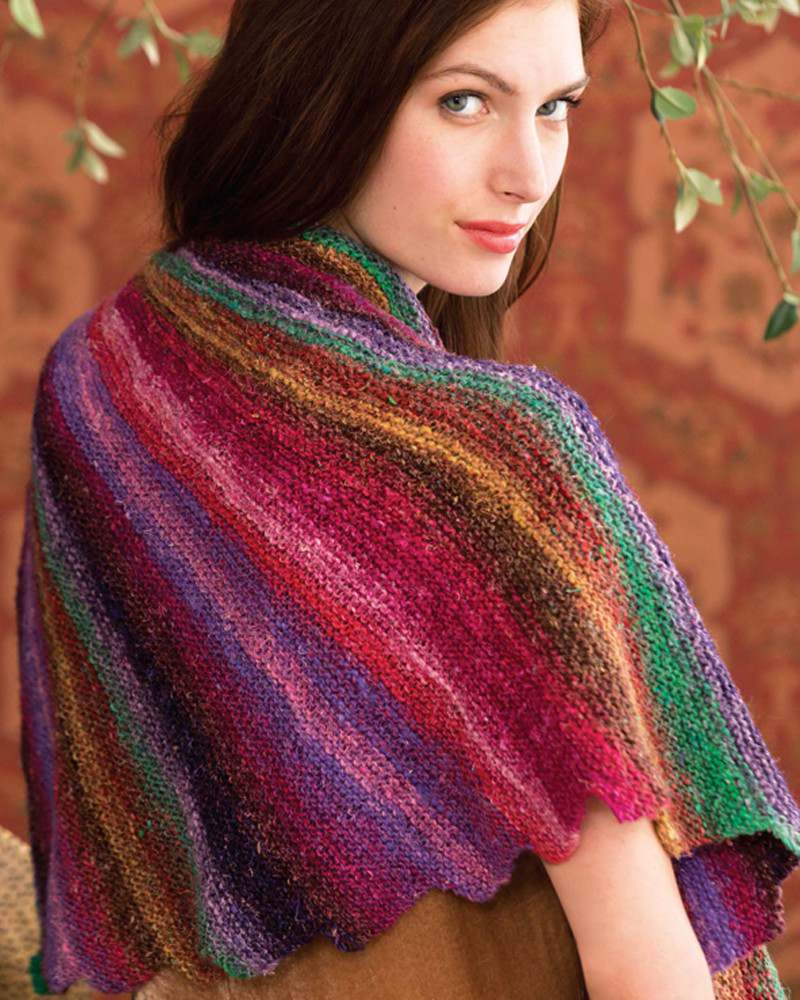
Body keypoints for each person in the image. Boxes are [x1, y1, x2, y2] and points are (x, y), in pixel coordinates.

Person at [15, 0, 800, 998]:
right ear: (323, 93)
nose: (527, 173)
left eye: (554, 107)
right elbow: (644, 968)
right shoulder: (502, 456)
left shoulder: (93, 377)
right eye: (464, 102)